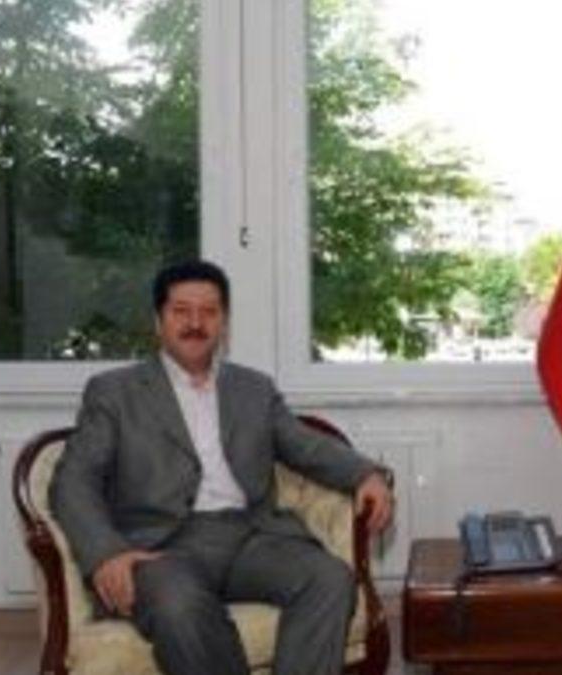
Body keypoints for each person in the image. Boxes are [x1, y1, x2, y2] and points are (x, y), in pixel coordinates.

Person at [51, 259, 394, 675]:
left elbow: (304, 445)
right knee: (179, 605)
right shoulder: (114, 392)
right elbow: (74, 480)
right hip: (161, 548)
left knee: (330, 579)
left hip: (251, 535)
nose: (196, 323)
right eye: (181, 311)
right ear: (158, 321)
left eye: (209, 312)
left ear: (223, 323)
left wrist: (365, 474)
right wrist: (107, 552)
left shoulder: (253, 388)